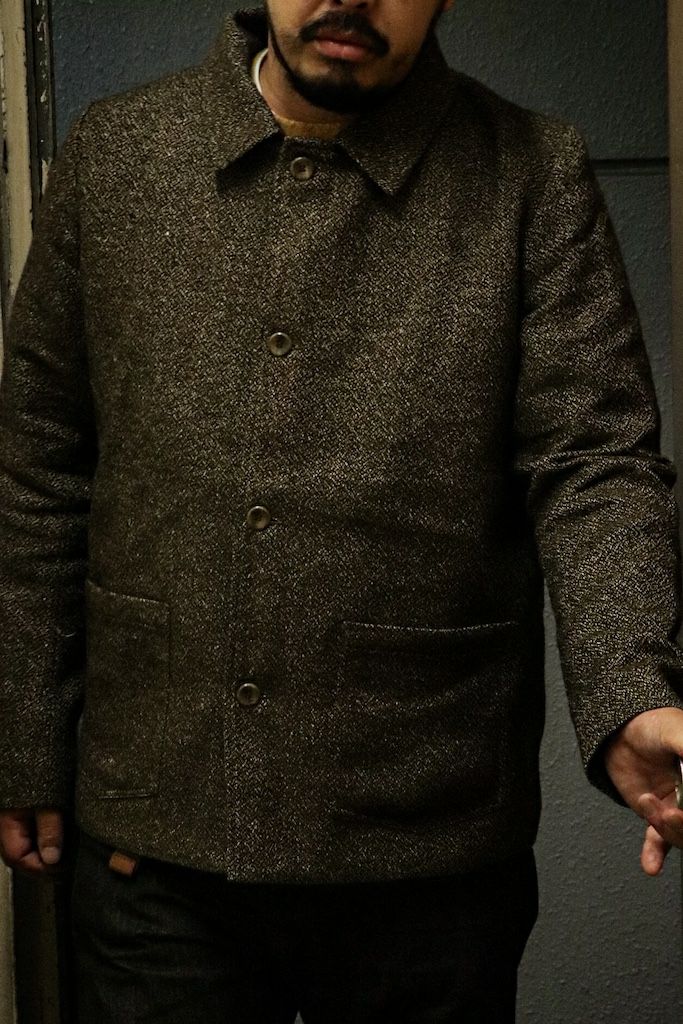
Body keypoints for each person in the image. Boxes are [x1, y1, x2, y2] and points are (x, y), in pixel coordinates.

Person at [1, 1, 683, 1020]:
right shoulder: (118, 155)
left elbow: (592, 464)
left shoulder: (531, 174)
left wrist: (629, 688)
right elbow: (40, 468)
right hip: (156, 837)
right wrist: (26, 733)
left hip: (426, 848)